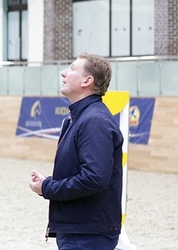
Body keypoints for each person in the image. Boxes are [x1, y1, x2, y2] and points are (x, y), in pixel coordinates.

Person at [29, 52, 124, 250]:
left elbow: (94, 178)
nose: (64, 73)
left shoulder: (94, 121)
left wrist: (48, 188)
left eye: (72, 68)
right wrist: (48, 183)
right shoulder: (79, 118)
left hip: (87, 234)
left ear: (87, 81)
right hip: (79, 231)